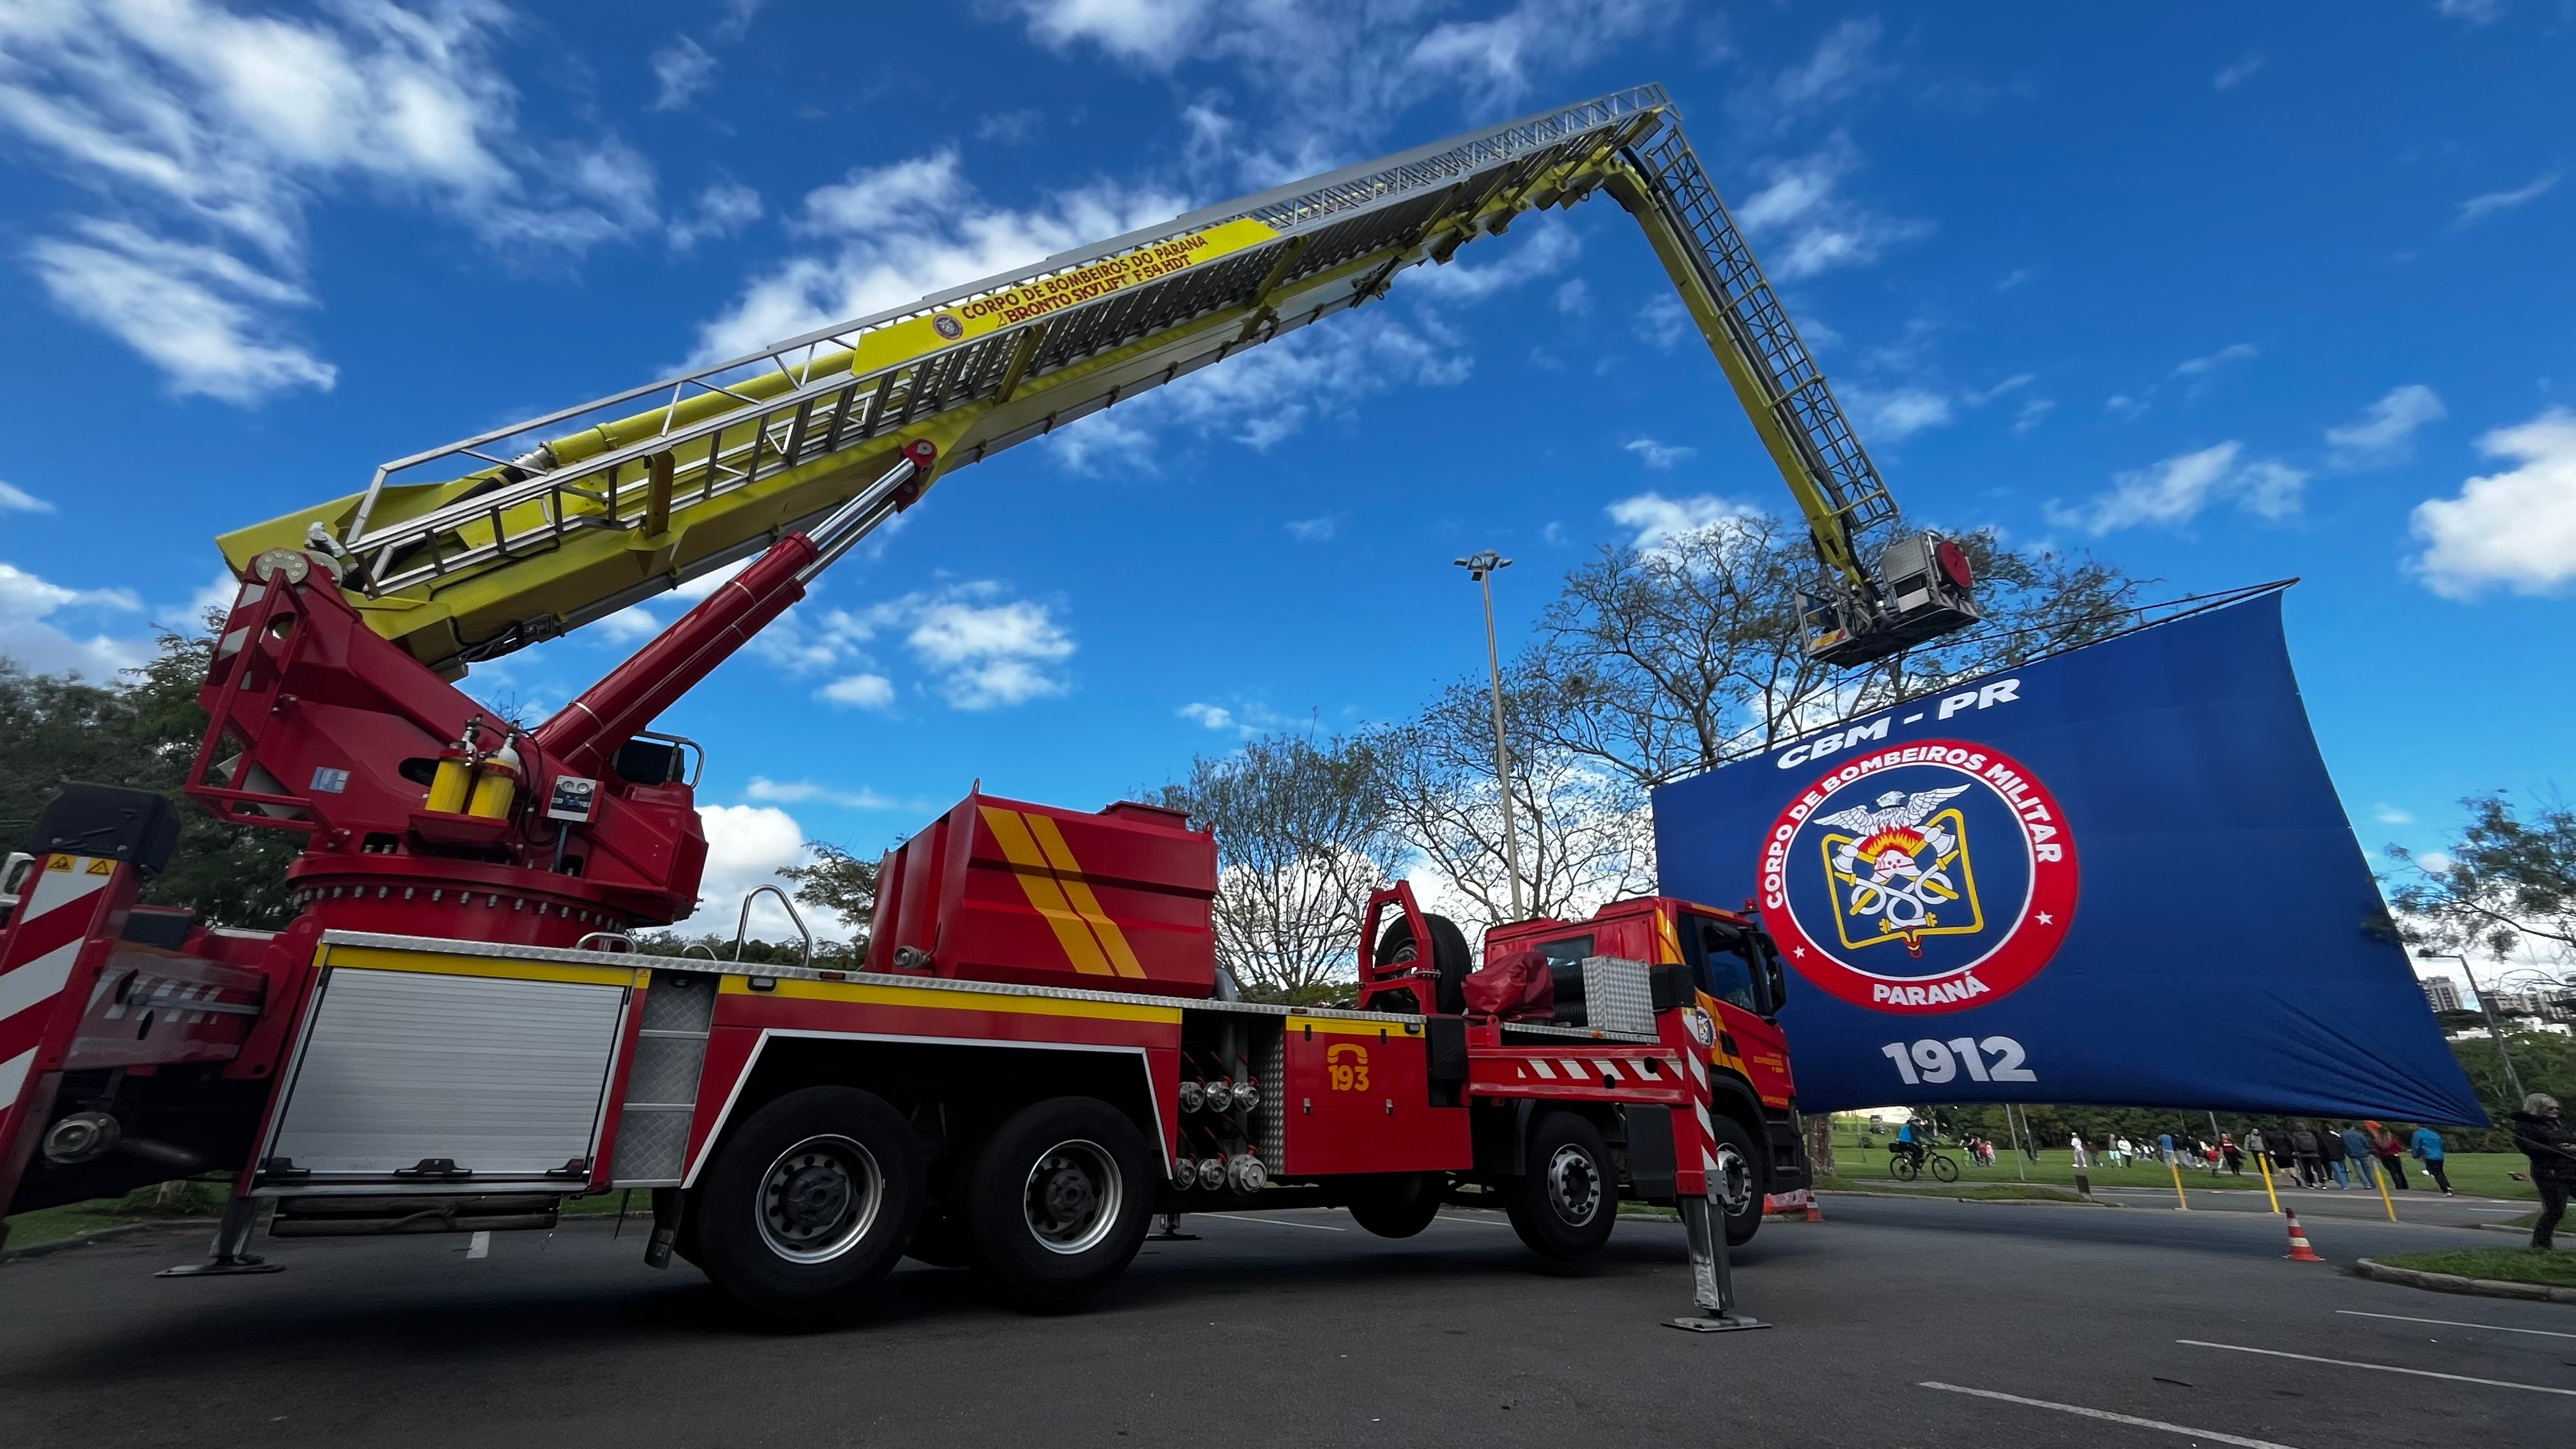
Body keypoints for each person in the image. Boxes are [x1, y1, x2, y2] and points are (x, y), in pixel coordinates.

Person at [2510, 1093, 2575, 1250]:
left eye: (2556, 1108)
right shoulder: (2526, 1127)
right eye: (2549, 1108)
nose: (2555, 1111)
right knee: (2555, 1210)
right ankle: (2541, 1245)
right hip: (2549, 1174)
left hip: (2571, 1170)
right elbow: (2531, 1148)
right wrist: (2561, 1148)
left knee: (2555, 1210)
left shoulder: (2557, 1124)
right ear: (2537, 1108)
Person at [2409, 1124, 2455, 1195]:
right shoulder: (2434, 1134)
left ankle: (2446, 1188)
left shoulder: (2419, 1134)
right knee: (2440, 1171)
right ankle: (2446, 1186)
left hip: (2429, 1156)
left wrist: (2416, 1155)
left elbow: (2416, 1145)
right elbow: (2441, 1144)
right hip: (2439, 1156)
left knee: (2435, 1172)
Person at [2365, 1121, 2411, 1190]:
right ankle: (2405, 1185)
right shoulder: (2393, 1139)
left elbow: (2377, 1149)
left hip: (2385, 1157)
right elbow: (2399, 1147)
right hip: (2395, 1155)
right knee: (2400, 1171)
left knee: (2393, 1171)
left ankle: (2399, 1185)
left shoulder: (2378, 1141)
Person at [2340, 1124, 2378, 1190]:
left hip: (2352, 1154)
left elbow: (2343, 1145)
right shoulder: (2359, 1134)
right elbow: (2366, 1143)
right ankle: (2372, 1183)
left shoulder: (2343, 1135)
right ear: (2353, 1127)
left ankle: (2367, 1184)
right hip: (2363, 1153)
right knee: (2367, 1170)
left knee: (2359, 1170)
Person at [2290, 1124, 2325, 1188]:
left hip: (2303, 1154)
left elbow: (2295, 1144)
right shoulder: (2310, 1134)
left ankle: (2310, 1182)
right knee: (2318, 1169)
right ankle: (2322, 1182)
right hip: (2314, 1153)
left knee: (2307, 1169)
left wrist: (2296, 1151)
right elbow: (2315, 1143)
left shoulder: (2295, 1135)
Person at [2319, 1119, 2351, 1188]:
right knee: (2342, 1169)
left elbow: (2323, 1147)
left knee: (2337, 1170)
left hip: (2331, 1156)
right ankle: (2346, 1182)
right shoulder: (2336, 1136)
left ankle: (2344, 1184)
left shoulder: (2323, 1137)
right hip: (2340, 1155)